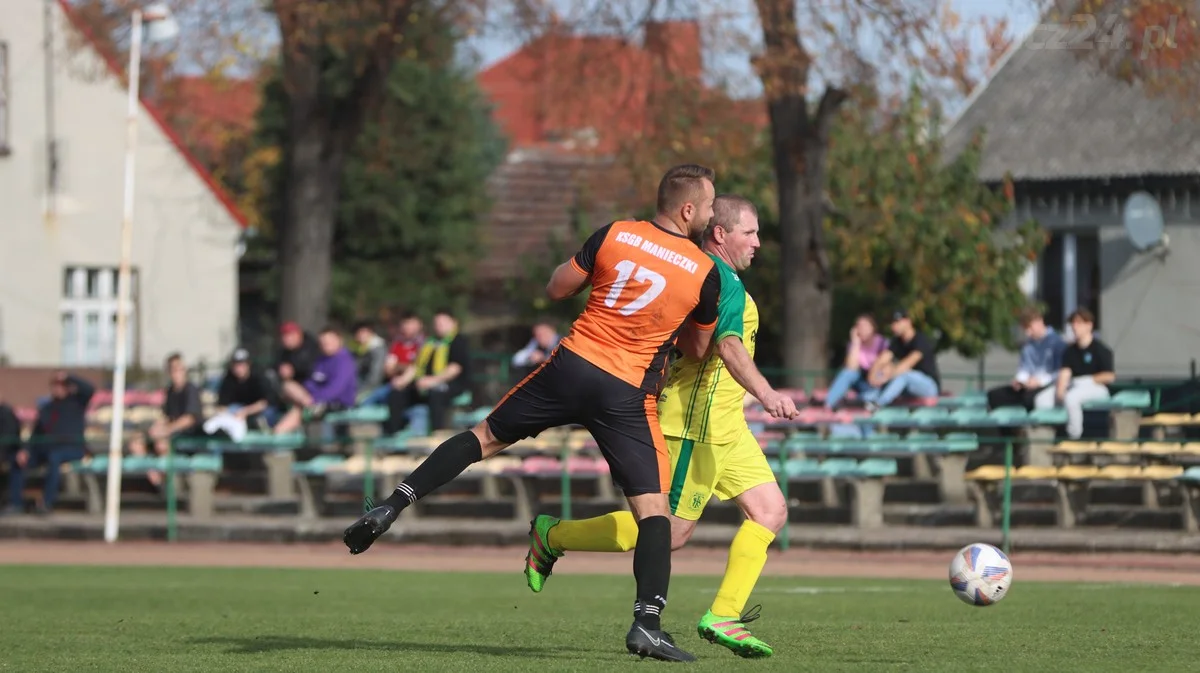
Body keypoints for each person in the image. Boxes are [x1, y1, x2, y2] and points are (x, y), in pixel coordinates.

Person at [344, 164, 723, 662]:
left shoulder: (615, 233)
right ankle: (646, 624)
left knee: (481, 438)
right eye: (711, 205)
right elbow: (697, 349)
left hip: (572, 366)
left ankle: (392, 504)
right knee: (654, 512)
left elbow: (557, 288)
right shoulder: (705, 270)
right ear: (688, 208)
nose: (713, 213)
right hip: (627, 390)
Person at [523, 195, 798, 658]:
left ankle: (724, 615)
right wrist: (768, 394)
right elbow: (727, 347)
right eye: (749, 233)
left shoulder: (721, 278)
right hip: (694, 423)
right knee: (664, 532)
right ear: (720, 233)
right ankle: (552, 536)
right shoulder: (715, 279)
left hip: (728, 427)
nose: (758, 243)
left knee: (770, 512)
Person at [3, 372, 95, 515]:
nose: (57, 389)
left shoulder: (77, 403)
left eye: (61, 386)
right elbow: (35, 434)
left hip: (72, 448)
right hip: (46, 449)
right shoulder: (46, 408)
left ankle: (46, 503)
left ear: (67, 388)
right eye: (55, 386)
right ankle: (16, 504)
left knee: (54, 457)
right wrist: (25, 451)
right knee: (18, 460)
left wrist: (68, 376)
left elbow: (90, 389)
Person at [382, 310, 471, 434]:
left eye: (443, 323)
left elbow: (455, 367)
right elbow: (417, 365)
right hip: (424, 384)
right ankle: (393, 434)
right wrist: (403, 381)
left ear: (454, 322)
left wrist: (433, 381)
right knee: (397, 394)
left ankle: (437, 434)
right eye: (436, 323)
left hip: (450, 385)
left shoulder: (458, 341)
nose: (439, 326)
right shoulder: (429, 342)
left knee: (436, 394)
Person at [1034, 308, 1114, 439]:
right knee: (1042, 399)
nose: (1075, 327)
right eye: (1073, 324)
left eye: (1079, 323)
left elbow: (1109, 376)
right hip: (1074, 385)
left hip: (1097, 388)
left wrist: (1088, 380)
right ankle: (1047, 434)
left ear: (1089, 325)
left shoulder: (1101, 350)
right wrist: (1060, 390)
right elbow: (1065, 372)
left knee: (1072, 398)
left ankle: (1074, 435)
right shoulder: (1070, 351)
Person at [129, 353, 204, 487]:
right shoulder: (170, 391)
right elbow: (167, 416)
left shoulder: (190, 390)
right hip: (172, 433)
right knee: (136, 443)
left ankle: (170, 485)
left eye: (178, 368)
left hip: (188, 435)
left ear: (184, 369)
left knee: (161, 444)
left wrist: (167, 430)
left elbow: (190, 418)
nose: (175, 373)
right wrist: (158, 426)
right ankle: (156, 479)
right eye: (172, 369)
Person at [274, 327, 358, 434]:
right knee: (288, 387)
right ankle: (278, 433)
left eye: (329, 342)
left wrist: (315, 398)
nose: (326, 345)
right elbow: (312, 381)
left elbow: (336, 388)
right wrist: (309, 396)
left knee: (298, 409)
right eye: (323, 343)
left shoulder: (344, 360)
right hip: (314, 401)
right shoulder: (321, 359)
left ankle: (278, 432)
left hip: (338, 403)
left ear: (339, 340)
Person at [987, 308, 1066, 411]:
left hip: (1049, 385)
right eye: (1025, 329)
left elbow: (1061, 372)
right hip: (1028, 386)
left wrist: (1039, 381)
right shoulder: (1028, 345)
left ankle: (1029, 425)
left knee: (1029, 399)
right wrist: (1020, 380)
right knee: (994, 396)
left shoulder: (1057, 343)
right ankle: (1009, 425)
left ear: (1039, 321)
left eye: (1029, 327)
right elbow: (1024, 368)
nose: (1028, 333)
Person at [865, 309, 941, 409]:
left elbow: (907, 364)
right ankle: (866, 401)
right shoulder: (897, 341)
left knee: (905, 375)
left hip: (929, 387)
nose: (894, 326)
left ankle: (878, 403)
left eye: (897, 322)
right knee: (876, 383)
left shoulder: (920, 339)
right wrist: (873, 375)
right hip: (908, 387)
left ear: (908, 321)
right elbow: (882, 359)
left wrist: (885, 377)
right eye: (892, 323)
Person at [204, 348, 275, 438]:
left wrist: (245, 412)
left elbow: (265, 402)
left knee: (267, 414)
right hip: (238, 412)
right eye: (236, 365)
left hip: (258, 411)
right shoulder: (228, 379)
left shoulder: (259, 377)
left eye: (241, 364)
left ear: (248, 364)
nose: (238, 368)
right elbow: (223, 404)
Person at [824, 314, 887, 410]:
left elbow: (887, 366)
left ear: (873, 327)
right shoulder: (854, 344)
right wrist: (856, 342)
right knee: (847, 373)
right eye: (859, 326)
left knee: (869, 397)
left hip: (877, 383)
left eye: (865, 326)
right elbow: (851, 367)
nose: (862, 329)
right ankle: (827, 405)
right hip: (861, 383)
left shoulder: (882, 342)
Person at [351, 321, 389, 396]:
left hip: (373, 389)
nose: (360, 335)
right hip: (358, 383)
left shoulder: (378, 348)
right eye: (358, 333)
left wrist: (358, 393)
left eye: (363, 332)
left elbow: (375, 377)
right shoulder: (357, 348)